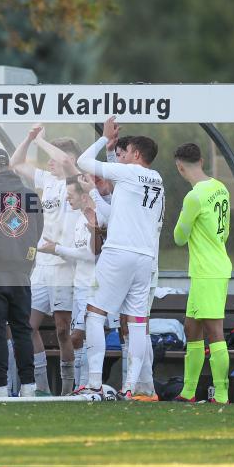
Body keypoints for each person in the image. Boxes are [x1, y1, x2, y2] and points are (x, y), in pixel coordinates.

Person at [67, 117, 164, 401]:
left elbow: (84, 161)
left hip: (118, 253)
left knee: (94, 313)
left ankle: (94, 382)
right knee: (135, 323)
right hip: (145, 258)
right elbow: (116, 212)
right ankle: (131, 387)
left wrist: (104, 139)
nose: (122, 156)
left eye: (126, 151)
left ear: (135, 155)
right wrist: (97, 192)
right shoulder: (158, 180)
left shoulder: (129, 173)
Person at [13, 127, 83, 395]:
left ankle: (67, 388)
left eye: (55, 156)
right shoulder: (47, 180)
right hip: (41, 265)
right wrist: (29, 138)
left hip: (64, 265)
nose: (50, 160)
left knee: (64, 330)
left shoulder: (76, 180)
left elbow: (65, 162)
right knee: (27, 324)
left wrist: (41, 139)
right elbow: (16, 163)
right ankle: (40, 386)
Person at [0, 147, 44, 398]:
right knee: (22, 329)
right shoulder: (30, 195)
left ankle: (1, 385)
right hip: (21, 272)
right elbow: (37, 231)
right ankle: (28, 386)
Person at [173, 143, 232, 404]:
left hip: (209, 271)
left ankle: (221, 394)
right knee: (191, 328)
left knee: (214, 330)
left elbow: (178, 237)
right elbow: (225, 230)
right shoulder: (220, 188)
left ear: (180, 167)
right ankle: (188, 392)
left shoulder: (194, 196)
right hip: (209, 268)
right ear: (203, 161)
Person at [38, 178, 103, 392]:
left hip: (94, 287)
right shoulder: (79, 218)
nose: (67, 199)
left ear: (84, 197)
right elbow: (79, 255)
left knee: (79, 336)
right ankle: (81, 386)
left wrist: (57, 249)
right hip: (80, 286)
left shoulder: (95, 218)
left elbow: (90, 254)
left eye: (71, 195)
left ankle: (86, 385)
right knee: (79, 339)